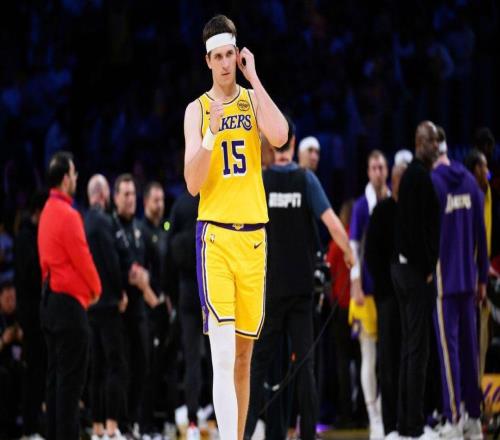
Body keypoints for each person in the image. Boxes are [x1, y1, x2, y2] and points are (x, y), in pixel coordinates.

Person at [183, 14, 288, 440]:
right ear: (207, 60)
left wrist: (255, 78)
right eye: (219, 57)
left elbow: (280, 136)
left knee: (244, 358)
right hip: (216, 237)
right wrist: (211, 134)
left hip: (254, 239)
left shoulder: (250, 99)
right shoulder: (196, 110)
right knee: (223, 356)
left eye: (231, 55)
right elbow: (192, 183)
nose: (226, 64)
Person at [245, 116, 354, 440]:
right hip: (301, 290)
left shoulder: (261, 180)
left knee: (256, 368)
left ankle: (243, 434)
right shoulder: (306, 180)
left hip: (270, 290)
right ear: (293, 143)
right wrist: (349, 252)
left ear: (273, 143)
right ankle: (307, 434)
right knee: (305, 367)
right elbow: (332, 222)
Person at [38, 151, 102, 440]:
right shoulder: (68, 214)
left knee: (55, 381)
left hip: (48, 302)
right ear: (66, 179)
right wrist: (96, 289)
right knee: (70, 386)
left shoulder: (46, 212)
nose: (76, 178)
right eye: (74, 174)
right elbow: (83, 258)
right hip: (68, 307)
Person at [431, 145, 488, 440]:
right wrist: (482, 277)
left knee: (449, 353)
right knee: (471, 352)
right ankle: (474, 419)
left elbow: (428, 233)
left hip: (445, 283)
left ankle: (453, 418)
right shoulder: (469, 181)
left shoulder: (434, 182)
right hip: (469, 280)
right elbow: (482, 233)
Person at [391, 121, 441, 439]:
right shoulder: (420, 177)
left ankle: (405, 424)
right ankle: (414, 426)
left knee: (410, 349)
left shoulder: (413, 175)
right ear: (421, 143)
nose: (437, 146)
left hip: (402, 270)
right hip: (413, 273)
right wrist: (427, 268)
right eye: (433, 141)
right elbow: (419, 230)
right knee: (417, 351)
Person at [111, 173, 159, 437]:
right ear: (116, 197)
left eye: (133, 194)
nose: (131, 199)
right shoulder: (111, 226)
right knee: (122, 367)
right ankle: (119, 422)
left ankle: (132, 421)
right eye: (126, 194)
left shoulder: (140, 229)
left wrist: (146, 278)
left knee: (143, 364)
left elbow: (151, 266)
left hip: (140, 309)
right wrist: (128, 278)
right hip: (119, 307)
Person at [349, 150, 390, 440]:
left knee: (388, 357)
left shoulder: (392, 201)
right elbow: (353, 246)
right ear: (368, 171)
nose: (378, 172)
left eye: (381, 167)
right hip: (366, 292)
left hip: (388, 291)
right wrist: (355, 283)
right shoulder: (362, 206)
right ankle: (373, 416)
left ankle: (387, 414)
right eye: (374, 167)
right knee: (369, 356)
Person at [365, 163, 407, 439]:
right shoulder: (381, 211)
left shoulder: (411, 210)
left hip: (411, 298)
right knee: (388, 361)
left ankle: (411, 421)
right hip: (388, 298)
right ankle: (390, 425)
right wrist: (387, 283)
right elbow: (370, 254)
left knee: (411, 357)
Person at [84, 174, 127, 440]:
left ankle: (97, 426)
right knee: (114, 365)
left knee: (96, 367)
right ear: (103, 194)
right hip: (109, 302)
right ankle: (112, 428)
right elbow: (112, 260)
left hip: (89, 305)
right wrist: (120, 291)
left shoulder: (83, 221)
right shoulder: (105, 221)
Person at [165, 190, 207, 440]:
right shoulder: (214, 195)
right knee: (218, 358)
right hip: (211, 288)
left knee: (192, 359)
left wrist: (171, 292)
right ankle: (220, 419)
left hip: (186, 292)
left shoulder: (180, 205)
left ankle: (192, 421)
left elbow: (168, 255)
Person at [140, 181, 177, 438]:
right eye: (155, 200)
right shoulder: (141, 231)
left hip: (168, 308)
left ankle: (168, 421)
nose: (160, 204)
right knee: (148, 368)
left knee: (169, 366)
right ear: (146, 202)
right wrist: (153, 299)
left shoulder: (166, 231)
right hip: (148, 309)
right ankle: (145, 424)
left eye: (162, 199)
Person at [14, 191, 47, 439]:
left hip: (40, 313)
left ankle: (37, 426)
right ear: (39, 211)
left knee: (40, 372)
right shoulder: (26, 237)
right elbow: (31, 274)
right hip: (30, 315)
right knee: (33, 372)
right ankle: (29, 429)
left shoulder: (34, 234)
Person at [0, 282, 23, 440]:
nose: (11, 303)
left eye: (13, 299)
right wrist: (3, 340)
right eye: (7, 299)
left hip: (17, 365)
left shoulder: (19, 318)